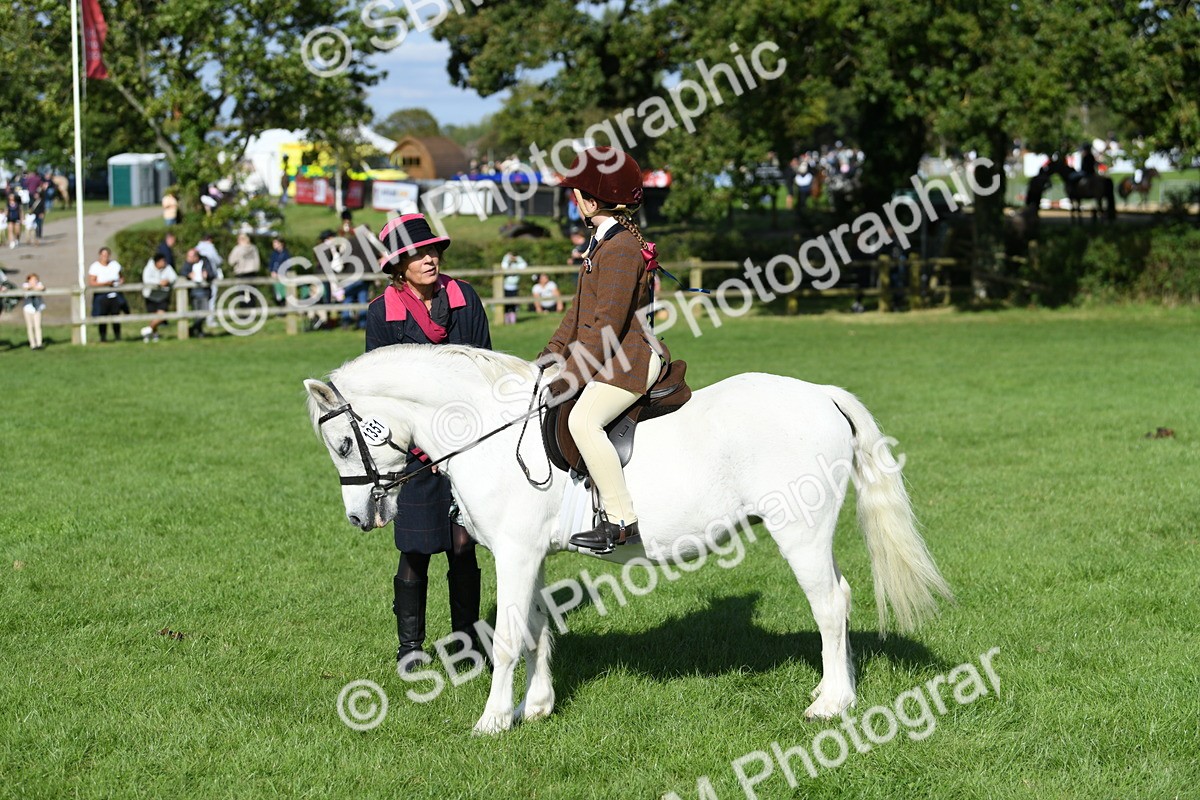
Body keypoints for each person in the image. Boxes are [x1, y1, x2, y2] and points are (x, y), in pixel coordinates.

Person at [365, 212, 492, 671]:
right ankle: (410, 648)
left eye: (434, 250)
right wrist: (424, 451)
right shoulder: (382, 313)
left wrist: (456, 442)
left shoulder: (464, 298)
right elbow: (382, 395)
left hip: (465, 445)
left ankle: (467, 644)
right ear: (399, 265)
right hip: (414, 455)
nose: (430, 259)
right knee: (415, 549)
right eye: (418, 254)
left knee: (463, 547)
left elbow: (483, 371)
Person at [539, 147, 664, 553]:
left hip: (632, 357)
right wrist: (548, 357)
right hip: (613, 353)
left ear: (591, 201)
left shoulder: (621, 248)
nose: (573, 198)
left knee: (583, 421)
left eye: (576, 192)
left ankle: (620, 521)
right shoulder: (601, 243)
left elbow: (607, 324)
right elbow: (577, 316)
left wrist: (570, 376)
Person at [87, 247, 125, 342]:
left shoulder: (115, 265)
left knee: (115, 316)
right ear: (100, 255)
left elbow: (121, 277)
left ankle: (118, 336)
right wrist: (105, 284)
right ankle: (103, 337)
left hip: (114, 294)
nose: (105, 257)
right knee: (102, 317)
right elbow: (91, 282)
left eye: (107, 255)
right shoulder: (95, 267)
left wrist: (119, 283)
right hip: (101, 295)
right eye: (103, 255)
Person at [140, 252, 177, 342]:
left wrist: (167, 280)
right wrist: (159, 282)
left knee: (161, 315)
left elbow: (174, 277)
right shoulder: (148, 268)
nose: (164, 263)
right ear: (157, 262)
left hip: (163, 296)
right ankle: (154, 334)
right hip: (150, 296)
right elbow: (146, 280)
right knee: (153, 317)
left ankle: (147, 330)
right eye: (162, 261)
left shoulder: (167, 267)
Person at [183, 248, 217, 338]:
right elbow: (182, 271)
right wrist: (188, 274)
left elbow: (212, 273)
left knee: (204, 313)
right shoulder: (188, 264)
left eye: (191, 256)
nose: (189, 258)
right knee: (196, 313)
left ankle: (193, 329)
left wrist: (207, 275)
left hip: (204, 291)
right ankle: (198, 331)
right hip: (193, 292)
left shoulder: (205, 261)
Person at [500, 250, 527, 324]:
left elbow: (524, 265)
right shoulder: (506, 265)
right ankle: (506, 319)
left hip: (514, 288)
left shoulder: (517, 266)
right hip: (506, 287)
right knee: (506, 305)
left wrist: (517, 258)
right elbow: (504, 266)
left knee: (514, 304)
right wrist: (506, 257)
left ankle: (513, 320)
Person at [22, 273, 45, 349]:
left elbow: (42, 288)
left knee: (37, 326)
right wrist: (33, 287)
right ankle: (32, 344)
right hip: (28, 308)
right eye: (32, 280)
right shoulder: (25, 285)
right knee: (30, 327)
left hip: (37, 308)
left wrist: (34, 287)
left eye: (35, 279)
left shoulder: (39, 284)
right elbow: (26, 288)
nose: (34, 281)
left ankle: (39, 343)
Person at [267, 236, 291, 305]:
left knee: (282, 292)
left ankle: (283, 307)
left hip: (282, 275)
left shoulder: (286, 254)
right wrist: (272, 271)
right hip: (274, 275)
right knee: (276, 293)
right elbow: (271, 264)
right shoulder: (273, 254)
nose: (274, 245)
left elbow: (288, 265)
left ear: (281, 244)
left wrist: (281, 272)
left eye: (276, 243)